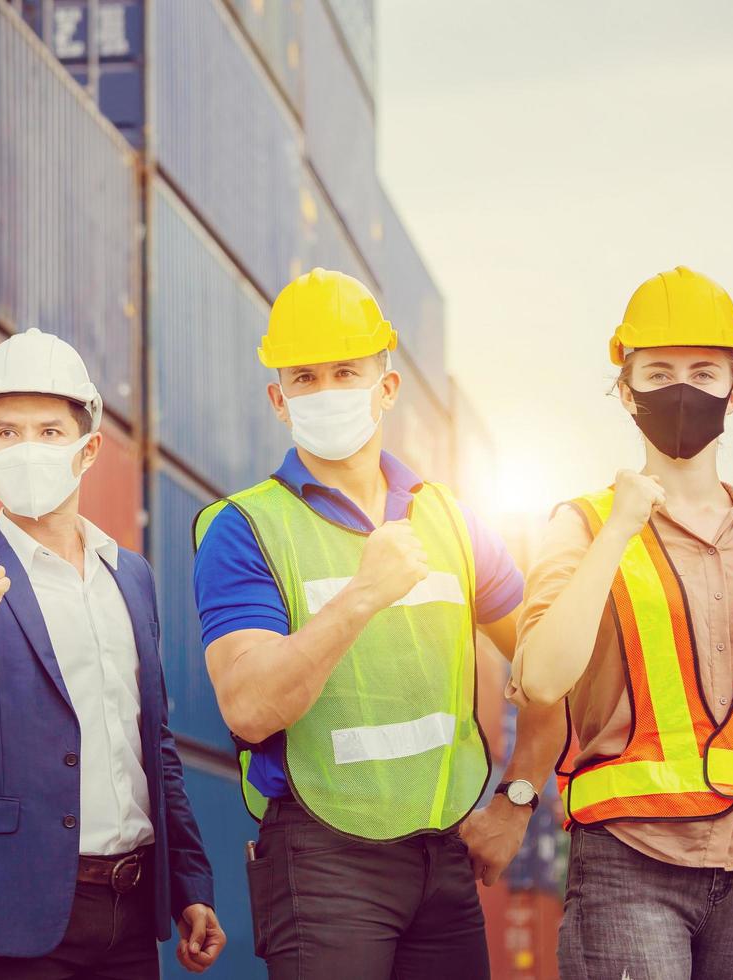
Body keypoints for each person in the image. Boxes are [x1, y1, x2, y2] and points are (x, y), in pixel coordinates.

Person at [192, 268, 566, 978]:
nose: (326, 392)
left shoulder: (454, 522)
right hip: (322, 864)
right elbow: (247, 706)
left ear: (386, 387)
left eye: (345, 372)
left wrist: (518, 799)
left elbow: (550, 671)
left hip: (445, 859)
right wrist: (363, 595)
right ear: (279, 399)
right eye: (304, 378)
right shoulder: (244, 529)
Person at [510, 266, 733, 980]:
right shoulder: (582, 525)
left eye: (704, 369)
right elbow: (541, 678)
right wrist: (620, 530)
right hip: (632, 869)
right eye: (658, 371)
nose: (682, 388)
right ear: (625, 390)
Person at [0, 328, 223, 978]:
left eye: (49, 432)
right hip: (9, 925)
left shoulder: (133, 578)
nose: (28, 449)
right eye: (8, 434)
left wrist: (191, 884)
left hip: (130, 917)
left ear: (88, 449)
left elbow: (154, 746)